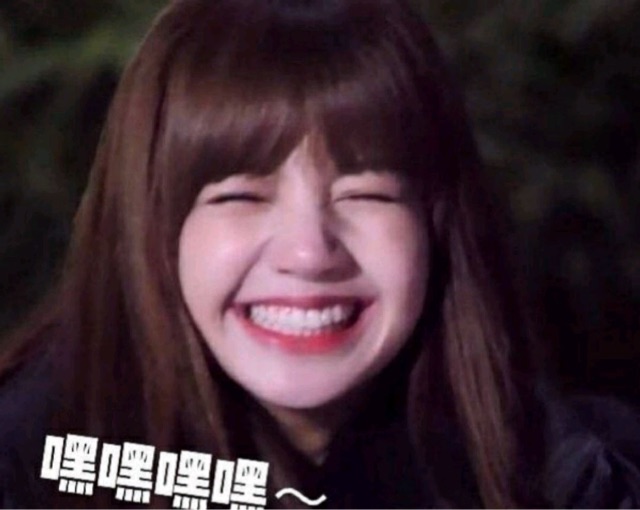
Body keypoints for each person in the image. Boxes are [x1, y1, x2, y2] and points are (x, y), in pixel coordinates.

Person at [1, 0, 640, 508]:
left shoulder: (573, 476)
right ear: (148, 227)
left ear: (437, 222)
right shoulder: (41, 465)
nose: (309, 253)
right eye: (241, 196)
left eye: (367, 194)